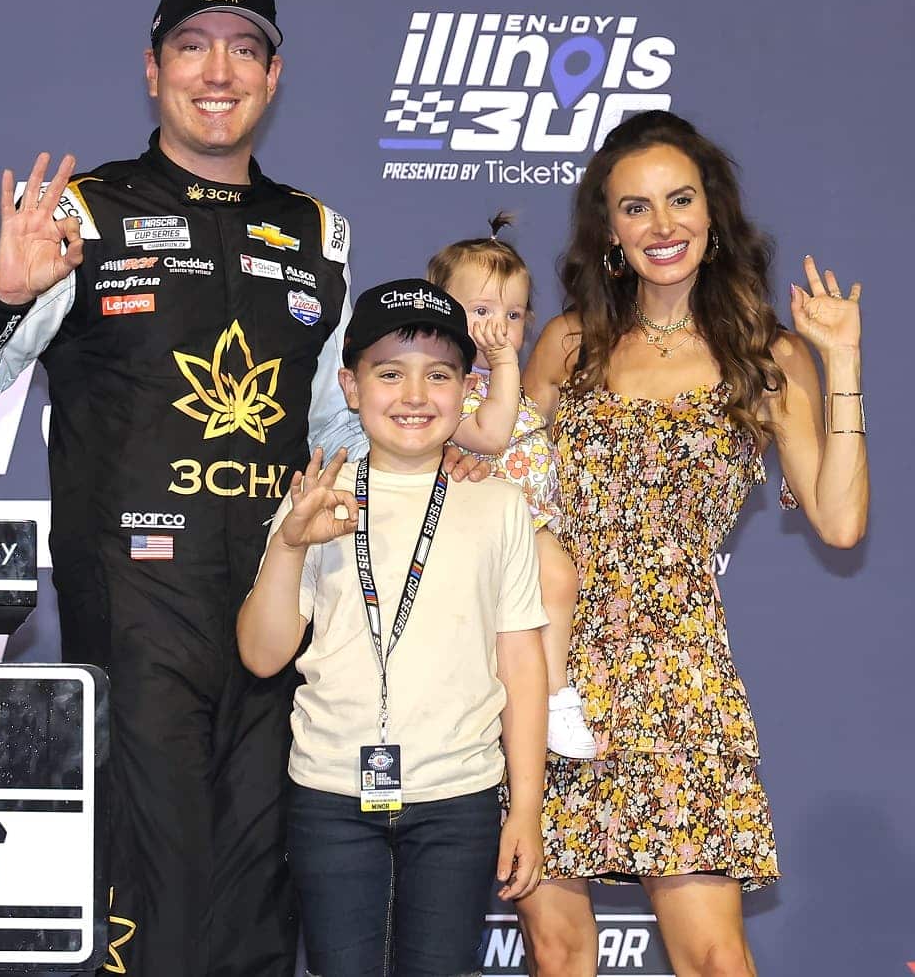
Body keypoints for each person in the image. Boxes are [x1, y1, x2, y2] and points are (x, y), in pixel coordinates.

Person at [0, 0, 379, 975]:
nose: (219, 70)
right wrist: (11, 296)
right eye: (194, 46)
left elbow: (344, 439)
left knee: (258, 895)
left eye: (243, 49)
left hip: (281, 611)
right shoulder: (81, 213)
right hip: (135, 611)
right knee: (153, 893)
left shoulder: (318, 233)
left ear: (274, 76)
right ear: (153, 71)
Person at [518, 109, 868, 977]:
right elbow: (510, 502)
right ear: (609, 229)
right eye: (636, 208)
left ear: (714, 214)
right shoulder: (567, 347)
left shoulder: (766, 354)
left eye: (680, 200)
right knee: (559, 954)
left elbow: (840, 520)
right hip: (548, 671)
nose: (662, 226)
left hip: (681, 678)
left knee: (714, 955)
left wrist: (845, 364)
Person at [237, 280, 547, 977]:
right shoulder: (318, 498)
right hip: (329, 798)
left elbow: (523, 665)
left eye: (438, 374)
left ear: (467, 387)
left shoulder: (498, 506)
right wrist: (289, 545)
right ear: (350, 386)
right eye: (389, 373)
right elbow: (262, 656)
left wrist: (524, 807)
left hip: (458, 800)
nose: (415, 394)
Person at [430, 215, 596, 759]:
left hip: (531, 521)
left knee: (561, 579)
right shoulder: (439, 386)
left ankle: (552, 696)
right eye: (480, 312)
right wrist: (503, 365)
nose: (498, 328)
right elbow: (493, 435)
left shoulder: (508, 382)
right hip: (476, 526)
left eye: (513, 314)